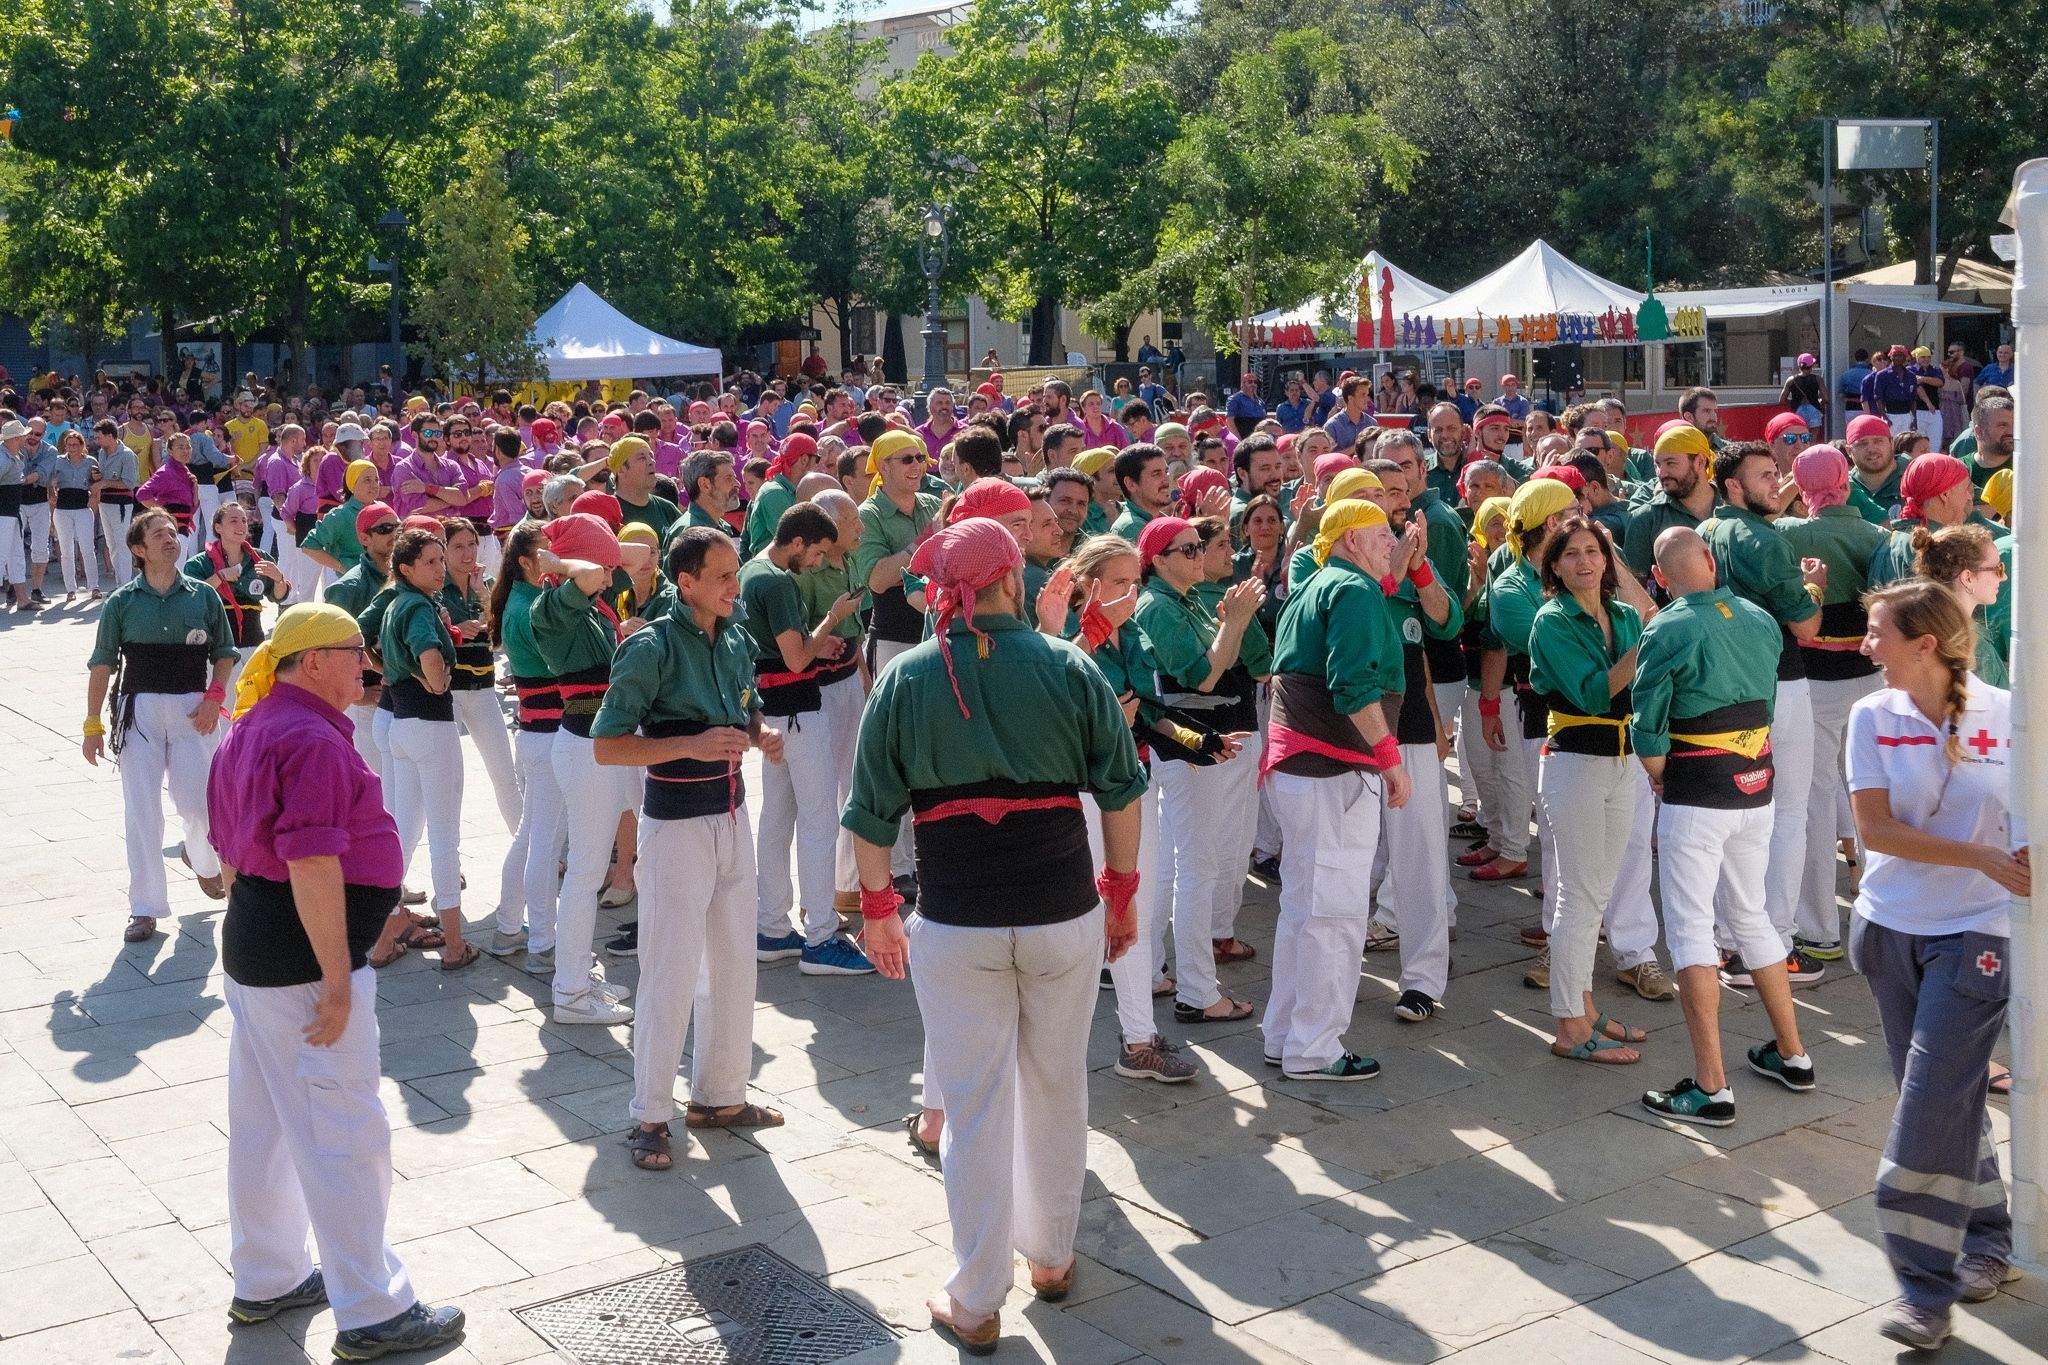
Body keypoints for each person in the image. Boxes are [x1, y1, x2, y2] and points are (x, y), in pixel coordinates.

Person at [842, 518, 1144, 1353]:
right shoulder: (1071, 666)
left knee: (974, 1107)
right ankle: (1050, 1256)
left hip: (958, 916)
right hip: (1060, 910)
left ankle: (976, 1297)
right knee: (1057, 1084)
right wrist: (1121, 893)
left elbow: (869, 809)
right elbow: (1122, 791)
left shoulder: (905, 679)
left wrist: (875, 907)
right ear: (1013, 580)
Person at [206, 602, 466, 1360]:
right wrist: (337, 977)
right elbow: (312, 863)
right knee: (344, 1129)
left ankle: (270, 1275)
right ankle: (373, 1307)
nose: (368, 663)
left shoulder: (255, 721)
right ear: (312, 659)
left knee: (263, 1125)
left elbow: (227, 852)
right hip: (299, 961)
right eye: (357, 651)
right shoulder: (305, 735)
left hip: (258, 949)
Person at [1844, 580, 2027, 1350]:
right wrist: (1981, 852)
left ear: (1924, 643)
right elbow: (1875, 830)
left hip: (1977, 933)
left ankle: (1924, 1289)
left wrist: (2010, 853)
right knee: (1944, 1097)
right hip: (1887, 931)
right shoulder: (1869, 715)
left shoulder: (2009, 712)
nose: (1865, 645)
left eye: (1878, 632)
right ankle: (1987, 1237)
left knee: (1925, 1109)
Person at [593, 526, 787, 1170]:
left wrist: (761, 736)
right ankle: (650, 1113)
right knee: (670, 971)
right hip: (675, 826)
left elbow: (744, 708)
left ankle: (720, 1096)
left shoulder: (734, 638)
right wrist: (690, 744)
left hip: (731, 814)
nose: (737, 586)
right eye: (725, 576)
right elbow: (608, 745)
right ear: (687, 582)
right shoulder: (650, 646)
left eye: (736, 573)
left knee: (737, 964)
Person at [1632, 528, 1814, 1128]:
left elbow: (1648, 719)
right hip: (1754, 784)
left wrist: (1659, 775)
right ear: (1710, 561)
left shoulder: (1666, 627)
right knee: (1752, 916)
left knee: (1689, 932)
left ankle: (1711, 1087)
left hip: (1697, 791)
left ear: (1660, 578)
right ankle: (1793, 1053)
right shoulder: (1760, 619)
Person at [1260, 497, 1409, 1080]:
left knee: (1304, 907)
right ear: (1351, 540)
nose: (1390, 543)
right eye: (1380, 535)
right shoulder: (1351, 590)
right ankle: (1313, 1048)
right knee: (1335, 913)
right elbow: (1352, 686)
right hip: (1329, 767)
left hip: (1304, 765)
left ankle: (1286, 1035)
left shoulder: (1321, 582)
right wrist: (1391, 760)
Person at [1701, 441, 1827, 988]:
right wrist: (1813, 586)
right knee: (1787, 812)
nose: (1776, 484)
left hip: (1726, 689)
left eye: (1777, 474)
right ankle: (1771, 945)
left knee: (1739, 815)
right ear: (1732, 486)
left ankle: (1734, 942)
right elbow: (1807, 626)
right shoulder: (1764, 539)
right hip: (1778, 681)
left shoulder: (1707, 532)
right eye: (1763, 476)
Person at [1134, 516, 1265, 1026]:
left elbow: (1234, 660)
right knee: (1195, 867)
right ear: (1159, 560)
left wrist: (1234, 624)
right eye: (1186, 550)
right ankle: (1197, 990)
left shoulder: (1181, 601)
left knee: (1177, 863)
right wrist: (1232, 623)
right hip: (1192, 748)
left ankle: (1156, 972)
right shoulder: (1160, 607)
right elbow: (1205, 677)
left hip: (1195, 746)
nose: (1198, 556)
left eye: (1197, 548)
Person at [1529, 516, 1652, 1062]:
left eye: (1594, 551)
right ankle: (1570, 1026)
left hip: (1623, 761)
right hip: (1576, 762)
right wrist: (1648, 646)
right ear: (1553, 566)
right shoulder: (1551, 621)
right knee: (1577, 896)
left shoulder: (1622, 614)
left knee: (1596, 894)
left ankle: (1584, 1006)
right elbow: (1596, 694)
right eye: (1572, 553)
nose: (1585, 561)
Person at [86, 510, 239, 943]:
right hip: (140, 712)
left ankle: (205, 862)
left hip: (195, 710)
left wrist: (214, 698)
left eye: (173, 532)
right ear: (139, 549)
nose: (171, 539)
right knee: (142, 810)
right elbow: (102, 664)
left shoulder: (203, 597)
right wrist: (92, 723)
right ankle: (145, 906)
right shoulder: (122, 602)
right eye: (159, 534)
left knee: (197, 804)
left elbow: (224, 652)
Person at [743, 503, 872, 974]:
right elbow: (797, 658)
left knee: (777, 818)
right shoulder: (776, 581)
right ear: (797, 543)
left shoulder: (755, 567)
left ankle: (771, 927)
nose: (818, 562)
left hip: (775, 710)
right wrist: (833, 620)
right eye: (816, 553)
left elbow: (792, 648)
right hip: (797, 709)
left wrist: (819, 641)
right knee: (818, 820)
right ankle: (821, 936)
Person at [1778, 445, 1895, 962]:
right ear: (1847, 481)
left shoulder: (1790, 533)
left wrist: (1791, 492)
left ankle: (1820, 928)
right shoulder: (1877, 536)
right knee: (1873, 791)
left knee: (1814, 798)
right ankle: (1885, 913)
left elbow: (1764, 519)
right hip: (1870, 675)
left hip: (1816, 680)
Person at [530, 513, 638, 1025]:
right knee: (586, 872)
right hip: (586, 748)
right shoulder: (552, 606)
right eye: (602, 563)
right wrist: (562, 560)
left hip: (603, 746)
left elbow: (625, 562)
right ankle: (570, 992)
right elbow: (593, 574)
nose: (611, 576)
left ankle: (576, 977)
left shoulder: (588, 607)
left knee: (588, 869)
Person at [377, 526, 478, 971]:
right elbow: (430, 659)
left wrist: (401, 674)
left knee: (403, 831)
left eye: (441, 560)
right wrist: (433, 678)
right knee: (443, 836)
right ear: (406, 568)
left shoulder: (396, 602)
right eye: (430, 562)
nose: (439, 569)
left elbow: (369, 646)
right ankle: (454, 944)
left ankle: (382, 938)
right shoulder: (417, 607)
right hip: (430, 726)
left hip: (401, 725)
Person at [485, 523, 565, 964]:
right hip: (549, 732)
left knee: (531, 835)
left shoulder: (521, 601)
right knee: (544, 842)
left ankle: (510, 927)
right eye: (545, 553)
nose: (552, 559)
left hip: (538, 732)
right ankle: (542, 941)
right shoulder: (531, 606)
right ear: (524, 562)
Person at [440, 519, 520, 831]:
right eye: (458, 546)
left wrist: (482, 594)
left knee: (505, 774)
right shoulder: (437, 587)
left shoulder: (485, 583)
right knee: (450, 783)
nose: (467, 553)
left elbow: (499, 634)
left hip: (484, 688)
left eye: (472, 544)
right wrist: (457, 631)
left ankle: (525, 848)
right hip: (451, 690)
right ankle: (450, 856)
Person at [185, 501, 290, 679]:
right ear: (218, 527)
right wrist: (220, 576)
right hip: (218, 644)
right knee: (226, 702)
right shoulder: (199, 564)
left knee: (253, 701)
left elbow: (278, 597)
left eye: (244, 520)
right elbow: (192, 598)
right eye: (234, 520)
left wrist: (279, 579)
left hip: (253, 640)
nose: (241, 525)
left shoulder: (260, 558)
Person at [1914, 524, 2010, 688]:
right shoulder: (1975, 650)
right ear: (1968, 578)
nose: (2004, 577)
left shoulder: (1914, 630)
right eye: (1998, 569)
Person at [1780, 353, 1825, 430]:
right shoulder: (1818, 379)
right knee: (1813, 438)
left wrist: (1793, 402)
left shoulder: (1791, 380)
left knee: (1800, 434)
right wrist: (1820, 403)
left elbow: (1782, 400)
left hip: (1797, 409)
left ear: (1799, 366)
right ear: (1811, 366)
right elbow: (1826, 398)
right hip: (1814, 408)